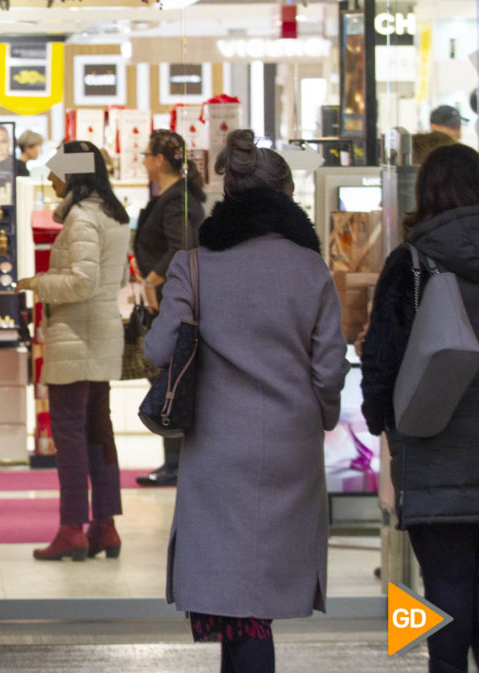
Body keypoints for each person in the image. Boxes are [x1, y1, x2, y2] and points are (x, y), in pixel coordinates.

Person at [144, 129, 347, 673]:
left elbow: (160, 347)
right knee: (263, 591)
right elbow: (329, 368)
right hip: (291, 443)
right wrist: (321, 416)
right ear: (284, 195)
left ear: (228, 194)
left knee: (233, 594)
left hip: (216, 444)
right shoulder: (310, 269)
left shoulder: (194, 265)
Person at [361, 143, 479, 672]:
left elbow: (381, 363)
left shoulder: (410, 265)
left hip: (435, 456)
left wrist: (381, 424)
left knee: (447, 588)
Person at [15, 140, 131, 561]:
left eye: (56, 169)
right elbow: (113, 282)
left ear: (74, 173)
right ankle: (105, 525)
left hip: (74, 338)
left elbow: (81, 282)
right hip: (101, 336)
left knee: (70, 436)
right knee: (100, 435)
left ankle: (71, 529)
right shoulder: (114, 216)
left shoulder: (81, 218)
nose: (49, 178)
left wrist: (37, 283)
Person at [132, 130, 206, 488]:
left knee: (169, 378)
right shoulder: (174, 197)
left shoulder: (177, 200)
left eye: (147, 155)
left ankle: (176, 464)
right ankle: (174, 462)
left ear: (160, 160)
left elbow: (182, 245)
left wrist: (152, 279)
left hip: (171, 303)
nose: (144, 161)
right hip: (168, 299)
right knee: (167, 377)